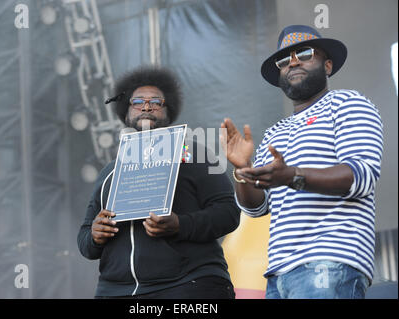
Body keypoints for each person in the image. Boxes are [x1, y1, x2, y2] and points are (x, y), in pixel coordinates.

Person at [221, 25, 383, 299]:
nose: (293, 62)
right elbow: (257, 208)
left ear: (327, 65)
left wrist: (292, 176)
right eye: (283, 60)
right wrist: (241, 171)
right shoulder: (275, 132)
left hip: (330, 260)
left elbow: (361, 176)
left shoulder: (348, 103)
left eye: (304, 53)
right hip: (279, 273)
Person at [78, 65, 240, 298]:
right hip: (115, 290)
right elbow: (84, 239)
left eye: (156, 101)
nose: (146, 106)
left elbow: (229, 213)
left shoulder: (196, 155)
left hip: (187, 286)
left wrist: (180, 225)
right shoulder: (108, 172)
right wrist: (95, 235)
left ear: (169, 111)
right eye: (137, 102)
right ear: (125, 113)